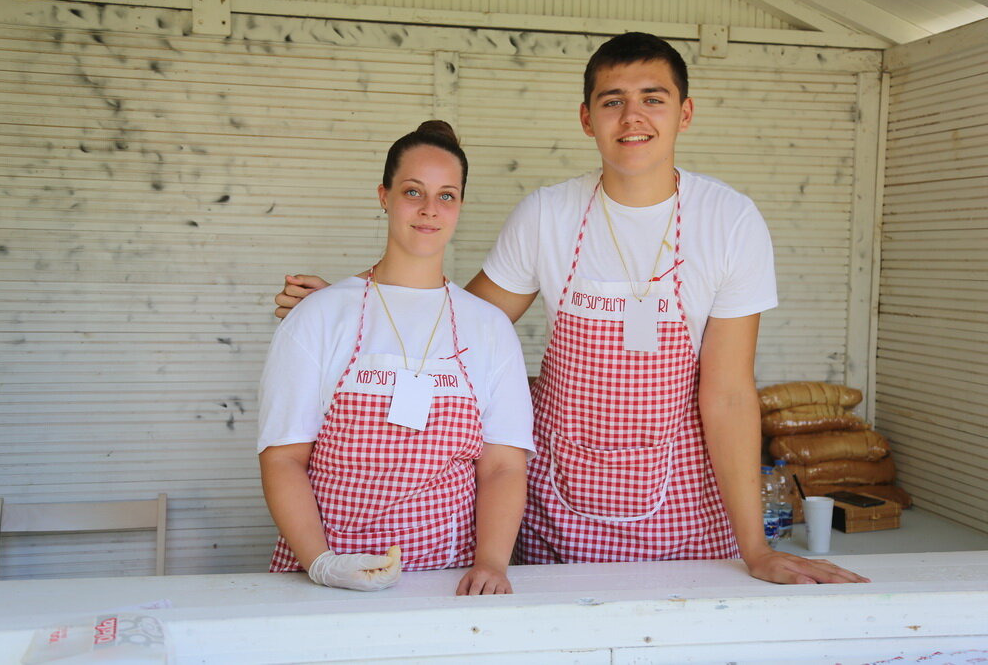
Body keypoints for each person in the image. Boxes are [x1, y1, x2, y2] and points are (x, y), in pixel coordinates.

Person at [273, 34, 867, 585]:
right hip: (560, 500)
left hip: (680, 494)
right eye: (612, 102)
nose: (632, 118)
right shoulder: (548, 216)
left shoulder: (728, 221)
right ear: (587, 118)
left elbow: (730, 392)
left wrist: (756, 551)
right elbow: (462, 323)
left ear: (685, 112)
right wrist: (354, 309)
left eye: (652, 100)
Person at [258, 121, 534, 596]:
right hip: (324, 579)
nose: (430, 209)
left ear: (460, 206)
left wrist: (491, 563)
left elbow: (503, 466)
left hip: (449, 581)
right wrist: (322, 564)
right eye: (413, 191)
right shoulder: (320, 316)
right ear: (384, 196)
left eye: (446, 196)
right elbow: (283, 459)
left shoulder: (488, 328)